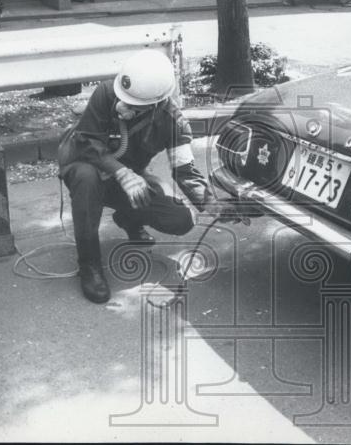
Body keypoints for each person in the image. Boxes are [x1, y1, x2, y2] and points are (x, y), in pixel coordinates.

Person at [57, 49, 232, 303]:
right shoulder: (106, 92)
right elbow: (85, 142)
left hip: (129, 181)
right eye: (121, 97)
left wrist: (209, 202)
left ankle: (128, 219)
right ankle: (89, 265)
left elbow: (184, 170)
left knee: (180, 219)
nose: (121, 105)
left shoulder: (173, 122)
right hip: (85, 168)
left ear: (156, 104)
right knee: (86, 177)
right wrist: (121, 172)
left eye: (133, 105)